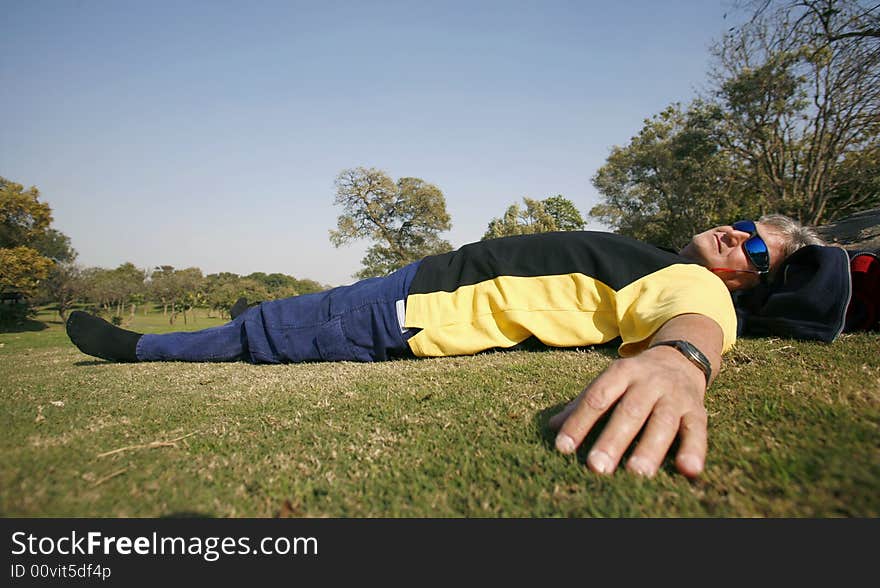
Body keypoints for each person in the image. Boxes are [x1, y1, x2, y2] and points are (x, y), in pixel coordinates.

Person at [66, 214, 823, 479]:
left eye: (757, 251)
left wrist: (679, 361)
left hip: (413, 311)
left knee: (274, 335)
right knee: (292, 313)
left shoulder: (698, 289)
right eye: (746, 225)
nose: (738, 236)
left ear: (749, 285)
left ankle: (142, 347)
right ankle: (241, 316)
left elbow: (697, 325)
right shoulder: (666, 262)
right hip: (424, 281)